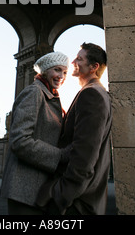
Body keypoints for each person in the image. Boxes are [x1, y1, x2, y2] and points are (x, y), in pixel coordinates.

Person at [37, 42, 112, 215]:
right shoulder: (98, 92)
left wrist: (60, 196)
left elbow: (85, 155)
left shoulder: (91, 94)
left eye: (79, 59)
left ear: (94, 67)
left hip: (77, 203)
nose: (73, 62)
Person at [0, 51, 71, 215]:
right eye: (57, 70)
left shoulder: (50, 95)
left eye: (65, 72)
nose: (61, 76)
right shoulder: (34, 93)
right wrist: (59, 156)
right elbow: (19, 141)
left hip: (37, 187)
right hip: (24, 188)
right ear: (45, 71)